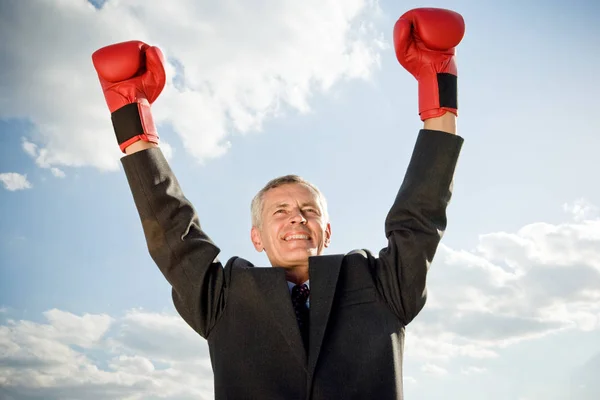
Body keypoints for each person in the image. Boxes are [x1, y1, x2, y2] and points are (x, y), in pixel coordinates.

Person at [92, 7, 465, 400]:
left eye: (309, 211)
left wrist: (438, 80)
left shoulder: (381, 284)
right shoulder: (222, 296)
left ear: (327, 231)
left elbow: (420, 216)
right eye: (280, 211)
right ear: (257, 238)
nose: (297, 219)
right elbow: (172, 232)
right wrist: (131, 111)